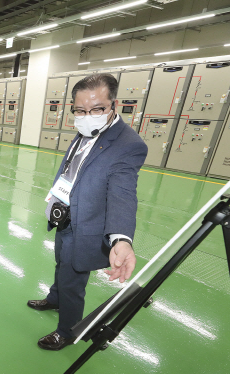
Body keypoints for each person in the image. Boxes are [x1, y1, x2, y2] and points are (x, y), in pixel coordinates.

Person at [27, 73, 148, 351]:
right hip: (65, 214)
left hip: (88, 224)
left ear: (113, 105)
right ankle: (55, 299)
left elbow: (123, 193)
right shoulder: (86, 130)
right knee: (61, 264)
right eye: (79, 110)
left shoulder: (128, 145)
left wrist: (121, 238)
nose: (87, 115)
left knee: (72, 279)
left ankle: (68, 331)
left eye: (97, 109)